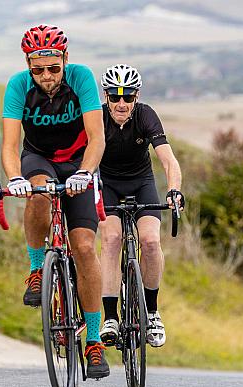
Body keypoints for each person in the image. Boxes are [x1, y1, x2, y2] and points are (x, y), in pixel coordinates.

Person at [1, 24, 109, 377]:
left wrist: (86, 173)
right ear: (28, 66)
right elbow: (9, 145)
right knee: (39, 191)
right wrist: (14, 178)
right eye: (38, 69)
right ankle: (36, 269)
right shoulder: (18, 86)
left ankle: (93, 342)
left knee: (85, 248)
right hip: (39, 158)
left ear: (65, 60)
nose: (46, 76)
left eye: (53, 67)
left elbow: (97, 137)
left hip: (79, 162)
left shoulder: (81, 78)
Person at [96, 64, 184, 348]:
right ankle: (110, 317)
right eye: (115, 96)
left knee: (149, 241)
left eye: (128, 97)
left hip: (141, 183)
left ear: (137, 97)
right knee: (111, 239)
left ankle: (153, 312)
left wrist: (174, 190)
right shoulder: (96, 118)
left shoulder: (146, 115)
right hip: (107, 184)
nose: (121, 103)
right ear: (106, 96)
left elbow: (169, 160)